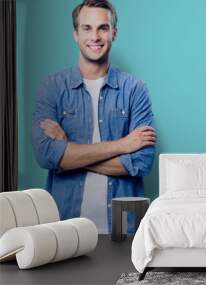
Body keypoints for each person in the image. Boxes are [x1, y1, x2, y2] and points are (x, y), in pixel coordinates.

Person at [31, 0, 156, 233]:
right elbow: (47, 156)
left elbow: (141, 162)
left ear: (114, 33)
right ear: (75, 34)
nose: (95, 36)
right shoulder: (52, 88)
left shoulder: (135, 89)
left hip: (123, 230)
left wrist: (69, 152)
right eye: (86, 28)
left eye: (103, 28)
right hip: (64, 229)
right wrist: (122, 145)